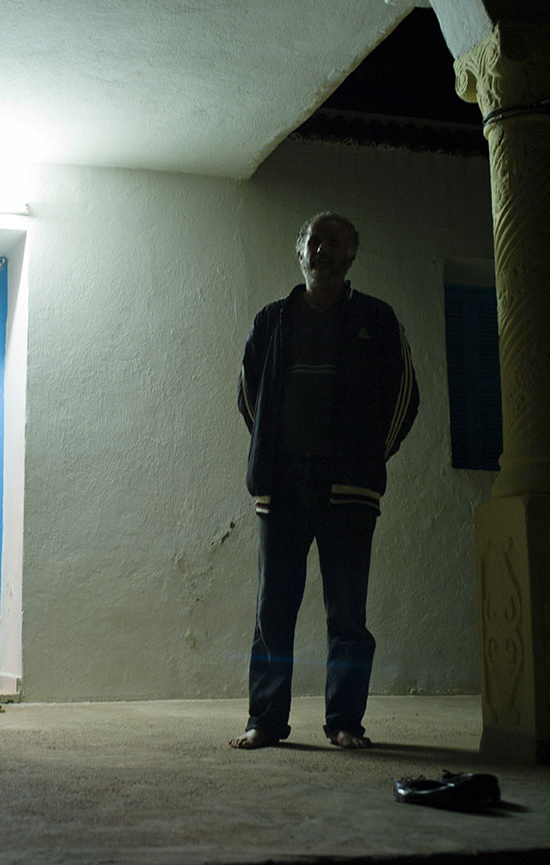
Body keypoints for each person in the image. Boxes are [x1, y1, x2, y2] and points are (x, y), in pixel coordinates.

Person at [230, 212, 418, 750]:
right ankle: (265, 720)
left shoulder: (376, 319)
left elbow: (405, 394)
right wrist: (271, 452)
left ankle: (344, 723)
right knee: (273, 609)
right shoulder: (272, 320)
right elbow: (249, 395)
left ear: (351, 255)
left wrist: (367, 459)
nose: (323, 250)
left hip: (349, 490)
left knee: (347, 612)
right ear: (300, 251)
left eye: (335, 242)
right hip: (281, 485)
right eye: (315, 240)